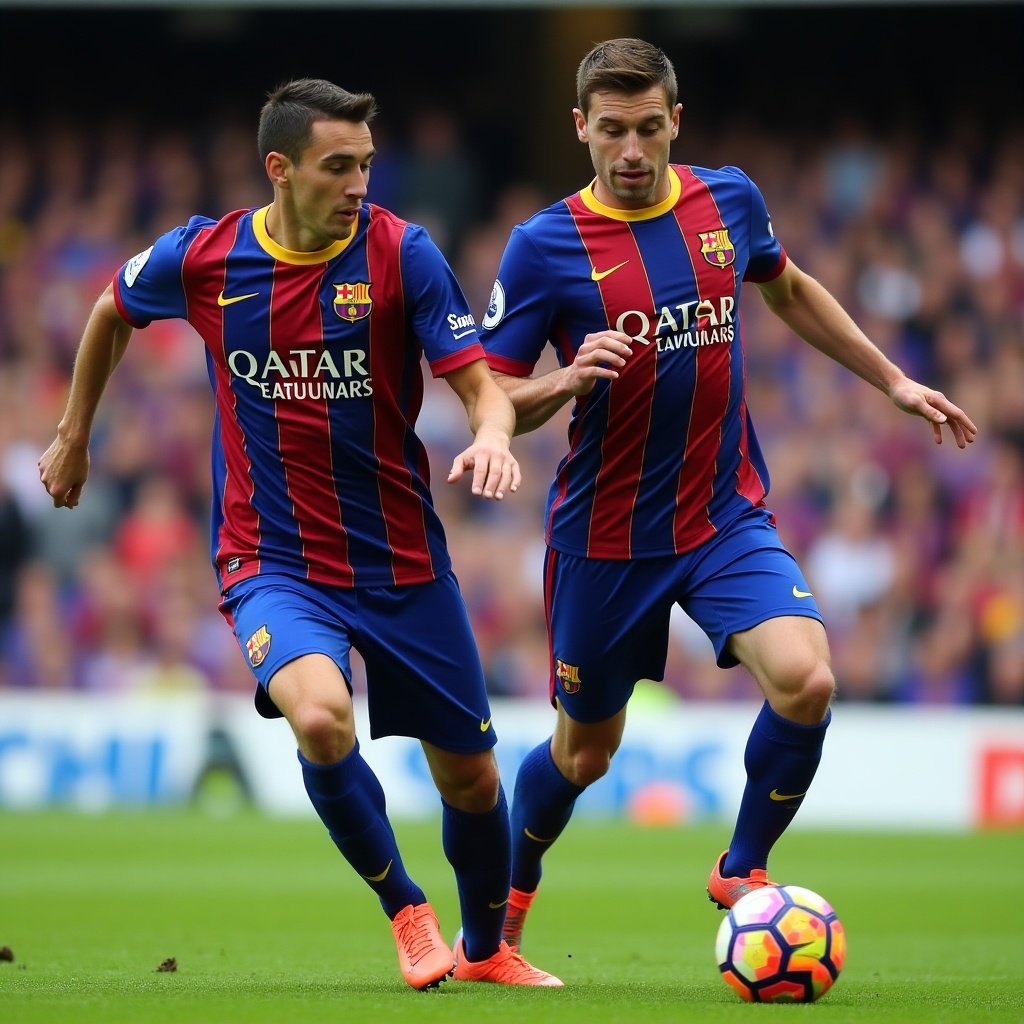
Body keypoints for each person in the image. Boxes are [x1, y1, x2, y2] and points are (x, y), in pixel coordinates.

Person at [38, 78, 561, 990]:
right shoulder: (203, 257)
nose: (360, 181)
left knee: (472, 782)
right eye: (338, 166)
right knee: (321, 718)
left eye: (365, 162)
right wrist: (73, 434)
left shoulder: (404, 253)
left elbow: (475, 379)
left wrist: (489, 433)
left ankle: (487, 951)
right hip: (271, 559)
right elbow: (108, 313)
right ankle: (408, 913)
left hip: (402, 558)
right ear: (279, 169)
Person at [477, 38, 978, 951]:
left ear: (677, 121)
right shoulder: (543, 245)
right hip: (605, 535)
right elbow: (488, 394)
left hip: (722, 513)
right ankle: (504, 912)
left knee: (808, 678)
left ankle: (741, 865)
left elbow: (787, 289)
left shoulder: (728, 199)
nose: (632, 151)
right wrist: (562, 382)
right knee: (585, 753)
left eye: (649, 129)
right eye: (613, 132)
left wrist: (893, 381)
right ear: (581, 129)